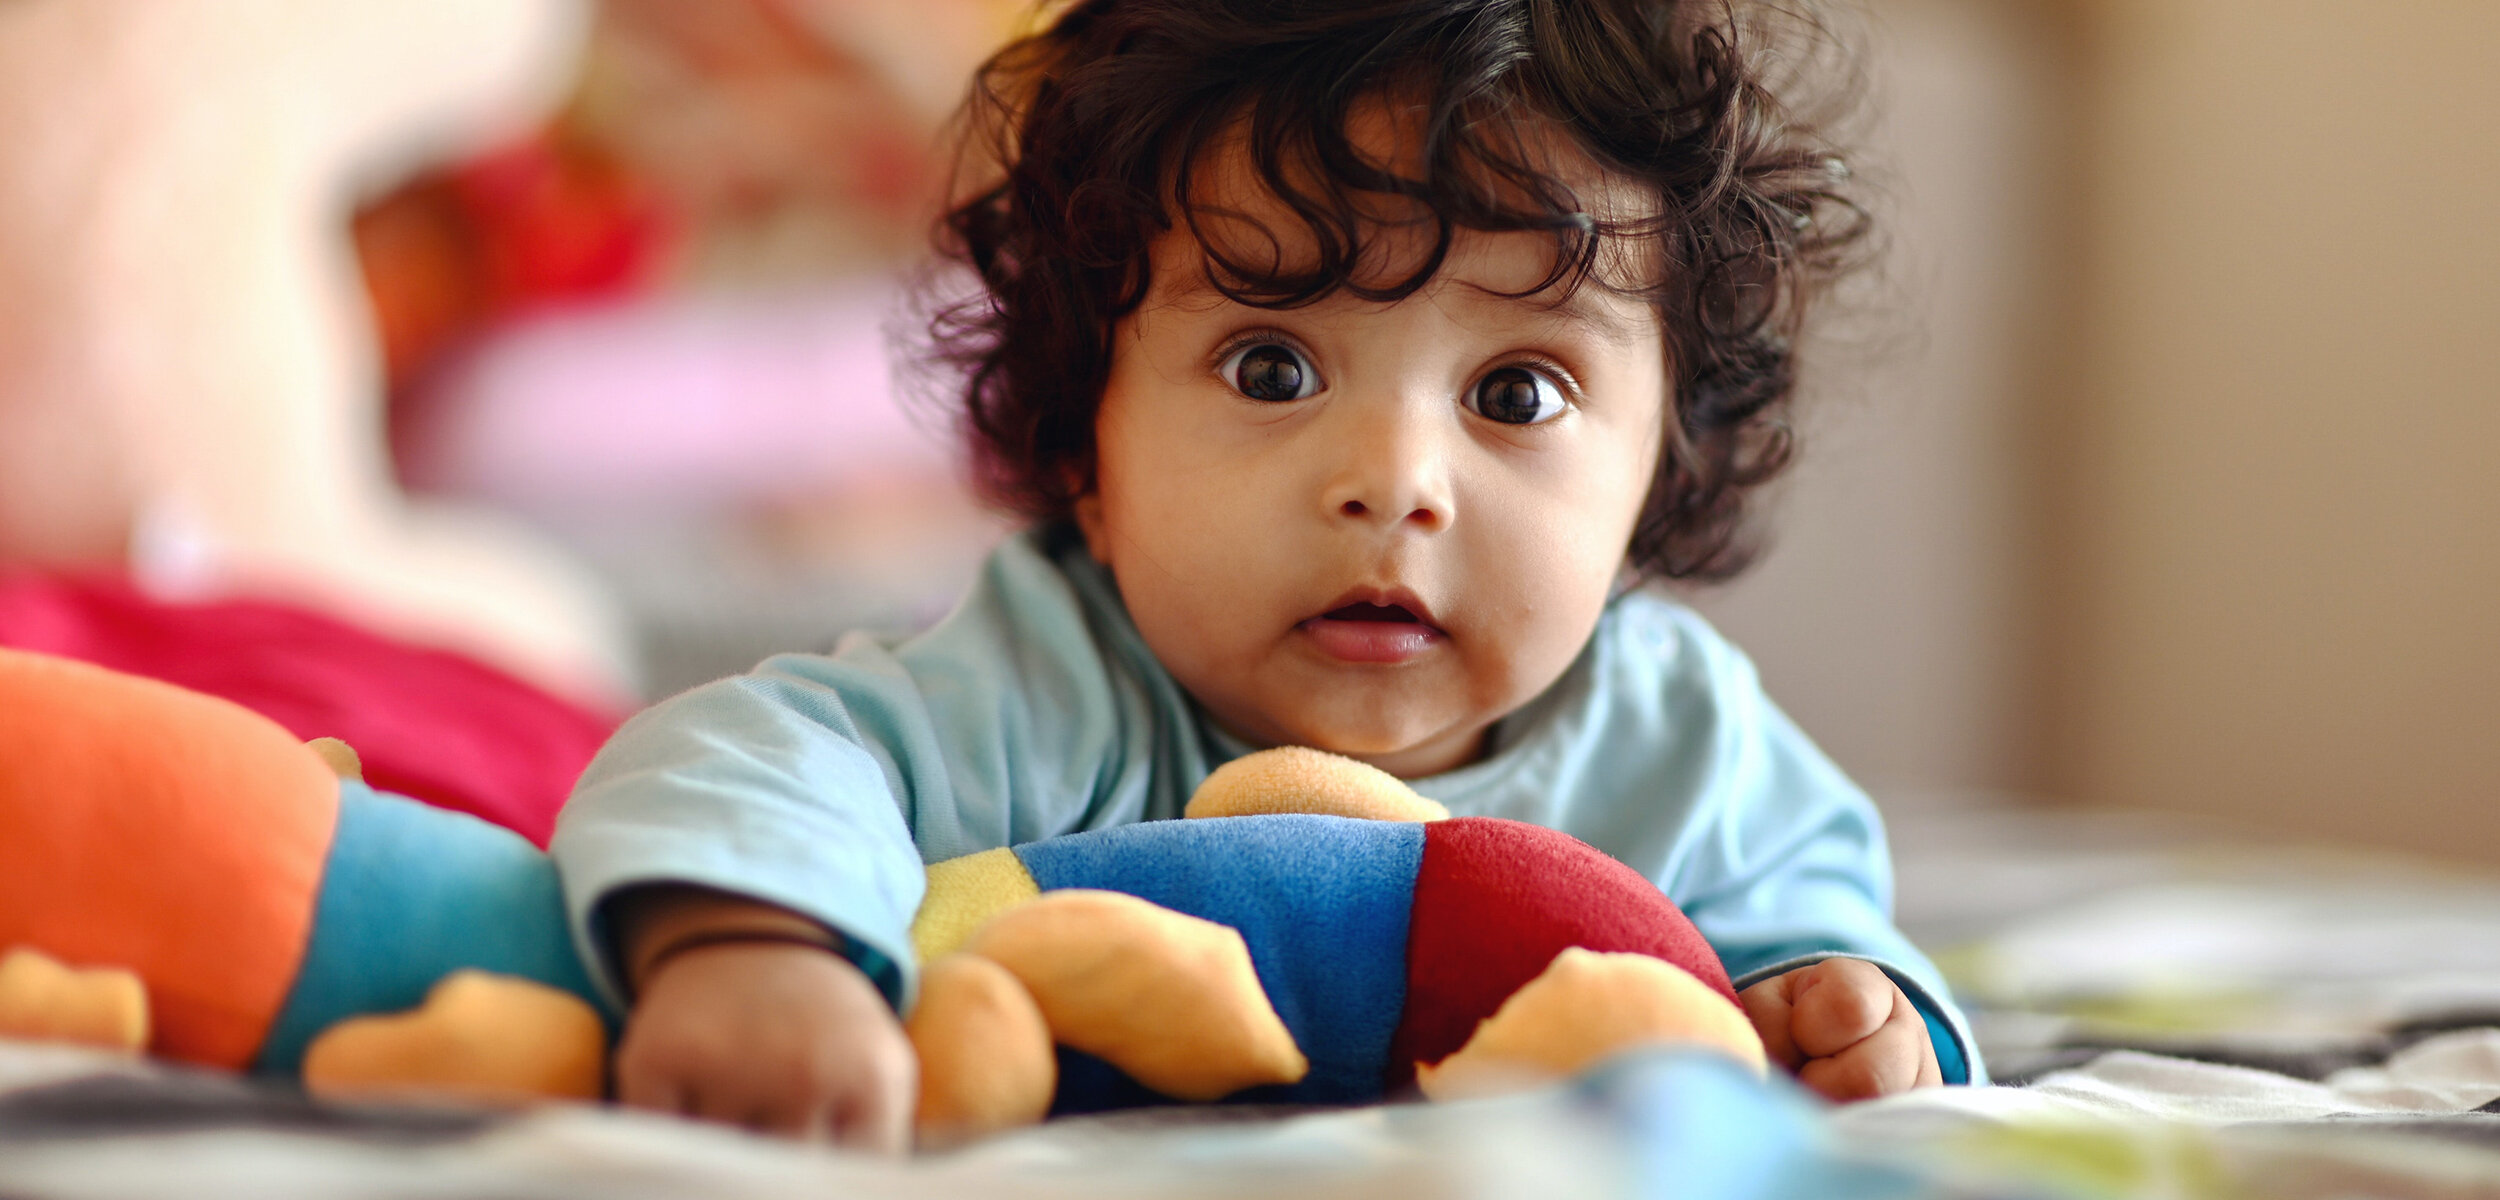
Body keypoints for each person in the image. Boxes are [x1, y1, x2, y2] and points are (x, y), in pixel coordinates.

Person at [551, 0, 1981, 1151]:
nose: (1396, 483)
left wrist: (1844, 1013)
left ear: (1656, 474)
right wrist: (760, 953)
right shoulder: (1045, 682)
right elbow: (744, 752)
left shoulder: (1678, 741)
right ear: (1084, 451)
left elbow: (1821, 936)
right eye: (1272, 366)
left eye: (1520, 393)